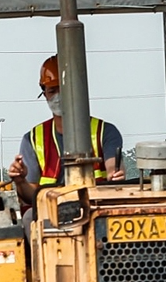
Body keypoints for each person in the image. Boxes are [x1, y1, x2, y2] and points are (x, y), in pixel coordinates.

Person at [7, 55, 124, 209]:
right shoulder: (33, 140)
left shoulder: (105, 132)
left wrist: (115, 176)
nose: (58, 97)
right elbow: (31, 196)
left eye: (64, 89)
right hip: (51, 211)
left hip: (97, 208)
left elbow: (113, 169)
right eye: (52, 90)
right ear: (45, 94)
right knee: (29, 218)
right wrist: (20, 181)